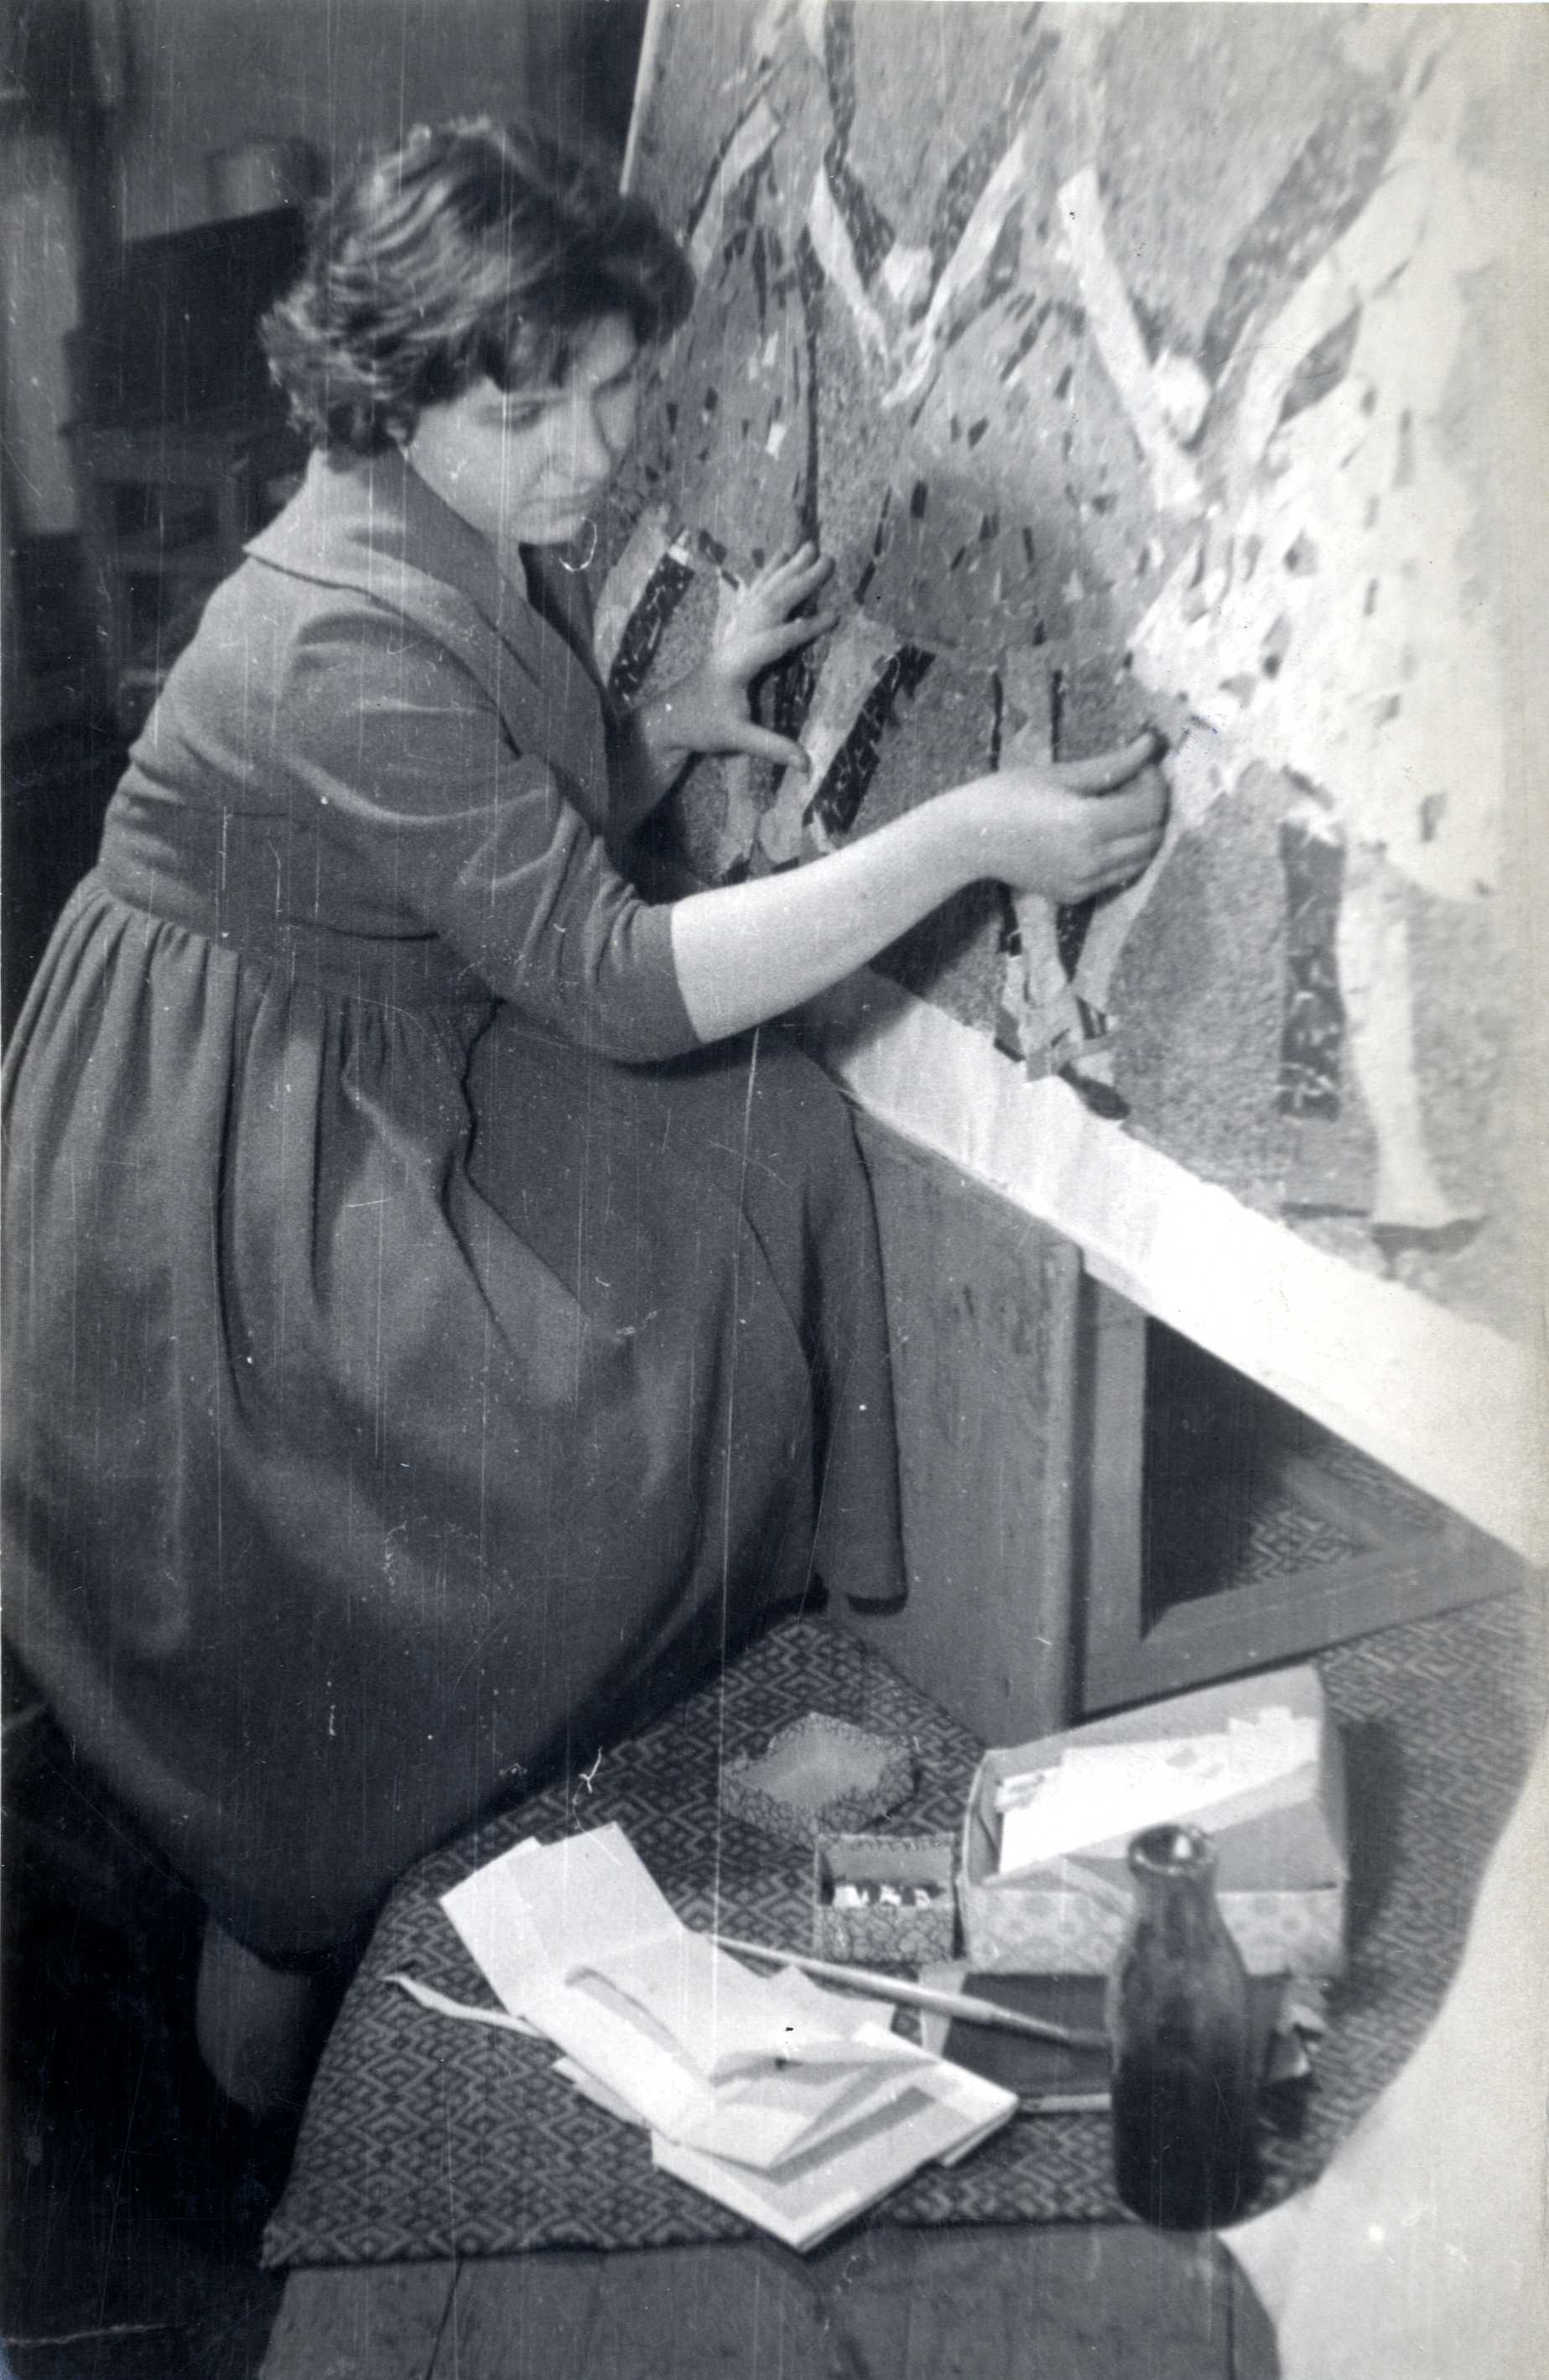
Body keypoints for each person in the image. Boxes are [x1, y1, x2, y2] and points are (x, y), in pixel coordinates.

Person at [1, 120, 1164, 2112]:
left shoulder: (431, 506)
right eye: (532, 410)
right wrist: (965, 836)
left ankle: (357, 1841)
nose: (593, 450)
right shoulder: (337, 625)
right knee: (473, 1529)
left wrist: (663, 718)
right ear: (394, 389)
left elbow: (450, 836)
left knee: (762, 1154)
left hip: (352, 1039)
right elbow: (611, 976)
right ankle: (287, 1994)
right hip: (209, 1178)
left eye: (617, 387)